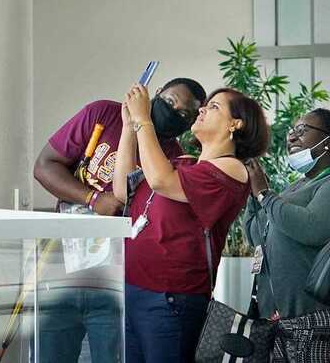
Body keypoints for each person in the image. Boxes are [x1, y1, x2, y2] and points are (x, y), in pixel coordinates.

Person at [32, 77, 206, 362]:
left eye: (184, 114)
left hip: (117, 284)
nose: (174, 112)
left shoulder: (171, 159)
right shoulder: (103, 114)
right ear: (157, 92)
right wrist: (92, 198)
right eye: (171, 101)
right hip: (62, 270)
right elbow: (44, 166)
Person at [114, 86, 269, 363]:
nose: (202, 109)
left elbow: (162, 181)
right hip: (134, 290)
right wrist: (129, 126)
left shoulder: (232, 170)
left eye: (214, 107)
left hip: (170, 299)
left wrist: (144, 120)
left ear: (236, 124)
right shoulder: (183, 163)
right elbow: (122, 191)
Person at [244, 108, 330, 360]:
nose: (292, 137)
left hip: (314, 323)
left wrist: (265, 194)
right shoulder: (293, 188)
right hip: (277, 323)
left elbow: (311, 228)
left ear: (328, 142)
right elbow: (254, 237)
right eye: (291, 131)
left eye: (302, 130)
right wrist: (253, 196)